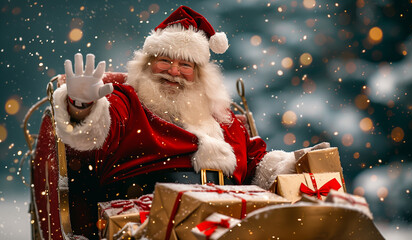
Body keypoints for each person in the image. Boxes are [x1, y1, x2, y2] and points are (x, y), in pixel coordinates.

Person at [52, 5, 316, 239]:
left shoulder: (224, 120)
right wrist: (81, 105)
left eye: (185, 65)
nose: (174, 72)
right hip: (146, 222)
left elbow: (256, 165)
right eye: (164, 61)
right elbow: (96, 129)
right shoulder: (128, 101)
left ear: (199, 74)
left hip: (231, 226)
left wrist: (298, 166)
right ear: (146, 65)